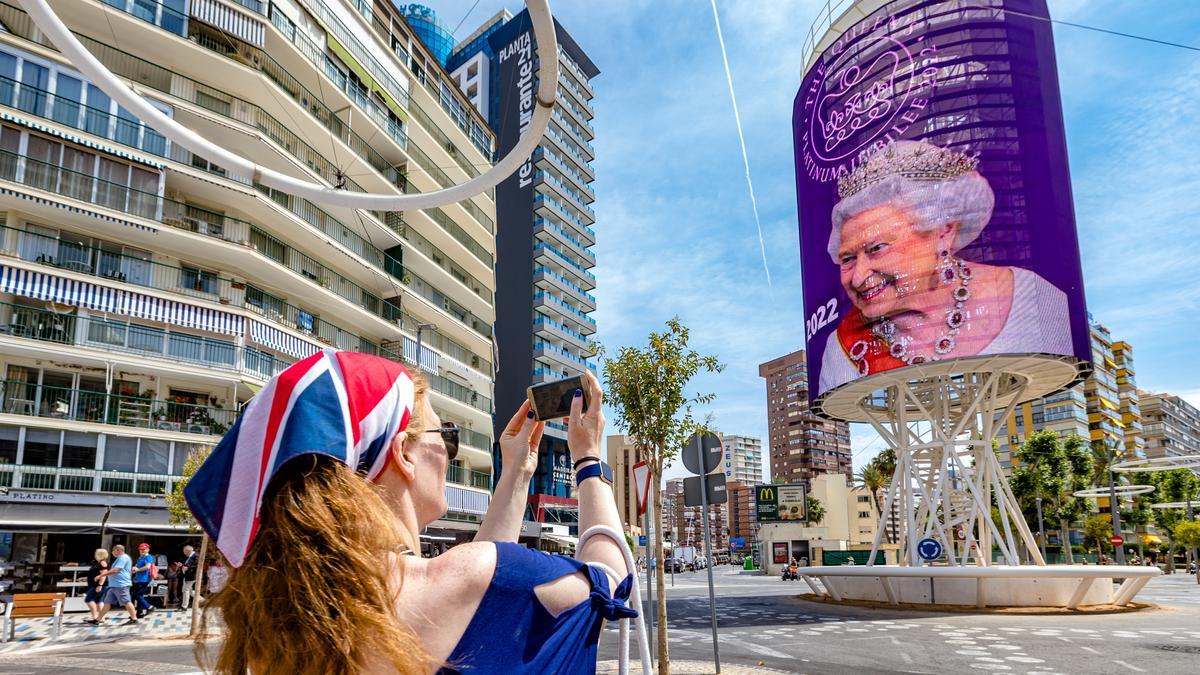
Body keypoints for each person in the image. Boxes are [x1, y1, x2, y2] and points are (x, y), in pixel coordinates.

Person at [183, 350, 633, 674]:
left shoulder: (277, 630)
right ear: (403, 453)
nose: (450, 451)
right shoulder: (465, 577)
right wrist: (588, 457)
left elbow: (482, 596)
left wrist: (516, 472)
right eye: (447, 435)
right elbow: (613, 581)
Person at [818, 140, 1074, 392]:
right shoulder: (840, 351)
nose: (858, 277)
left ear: (943, 232)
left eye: (877, 248)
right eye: (848, 259)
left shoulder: (1035, 302)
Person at [95, 544, 138, 625]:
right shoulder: (120, 558)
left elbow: (116, 570)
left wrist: (101, 575)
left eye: (113, 550)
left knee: (126, 601)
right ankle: (98, 619)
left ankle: (134, 619)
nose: (112, 552)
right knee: (107, 602)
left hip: (121, 585)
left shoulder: (123, 558)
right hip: (115, 585)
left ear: (118, 550)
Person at [83, 548, 108, 625]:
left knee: (89, 599)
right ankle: (101, 618)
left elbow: (104, 575)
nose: (95, 555)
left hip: (98, 585)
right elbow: (95, 573)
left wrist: (100, 585)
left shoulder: (102, 563)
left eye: (96, 553)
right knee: (99, 601)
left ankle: (95, 617)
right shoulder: (98, 562)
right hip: (95, 585)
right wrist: (85, 578)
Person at [132, 543, 155, 618]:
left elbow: (147, 567)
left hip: (144, 579)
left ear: (148, 549)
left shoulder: (148, 557)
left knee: (136, 595)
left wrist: (137, 570)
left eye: (143, 549)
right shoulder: (140, 557)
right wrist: (134, 568)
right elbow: (138, 566)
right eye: (140, 549)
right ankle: (140, 613)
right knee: (140, 596)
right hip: (139, 579)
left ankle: (149, 607)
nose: (141, 550)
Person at [180, 545, 198, 610]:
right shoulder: (190, 556)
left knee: (186, 590)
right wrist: (181, 565)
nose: (184, 553)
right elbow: (187, 565)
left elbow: (198, 565)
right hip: (187, 575)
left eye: (184, 552)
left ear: (188, 551)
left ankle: (184, 606)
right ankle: (203, 601)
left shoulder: (196, 556)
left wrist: (188, 568)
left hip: (192, 576)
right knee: (190, 591)